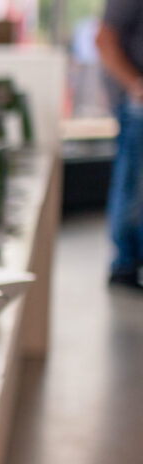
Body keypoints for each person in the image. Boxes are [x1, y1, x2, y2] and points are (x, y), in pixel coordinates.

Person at [96, 3, 143, 290]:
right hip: (136, 107)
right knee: (133, 185)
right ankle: (124, 264)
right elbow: (104, 38)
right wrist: (136, 87)